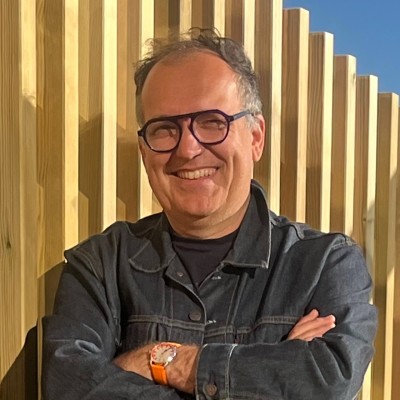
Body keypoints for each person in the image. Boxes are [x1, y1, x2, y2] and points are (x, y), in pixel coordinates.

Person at [42, 29, 377, 400]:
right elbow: (67, 387)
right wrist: (270, 371)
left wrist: (165, 362)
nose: (187, 149)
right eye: (164, 128)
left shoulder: (324, 265)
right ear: (144, 150)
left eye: (212, 122)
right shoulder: (102, 265)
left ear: (256, 137)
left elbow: (328, 379)